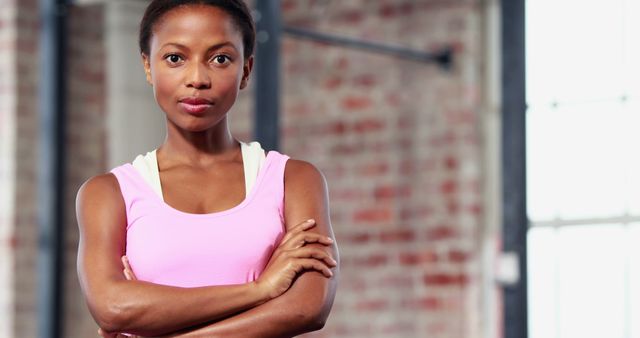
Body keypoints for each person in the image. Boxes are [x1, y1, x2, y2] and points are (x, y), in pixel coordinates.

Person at [75, 1, 339, 337]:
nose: (197, 79)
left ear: (246, 70)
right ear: (147, 66)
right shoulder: (108, 193)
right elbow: (112, 308)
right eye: (175, 58)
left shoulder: (293, 180)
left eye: (220, 59)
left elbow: (306, 307)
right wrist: (259, 290)